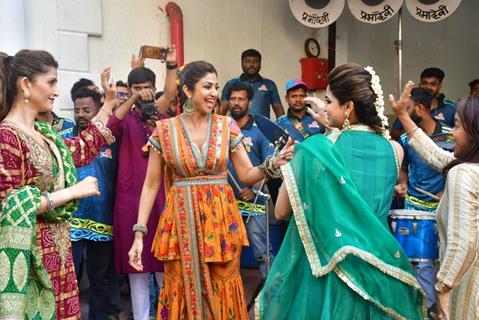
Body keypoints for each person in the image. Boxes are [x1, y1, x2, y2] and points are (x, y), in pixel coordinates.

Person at [256, 63, 425, 319]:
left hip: (330, 271)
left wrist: (296, 162)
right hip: (379, 268)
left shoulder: (318, 148)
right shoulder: (394, 149)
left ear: (348, 107)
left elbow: (281, 212)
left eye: (329, 101)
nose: (324, 108)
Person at [128, 61, 294, 320]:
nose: (215, 93)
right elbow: (151, 184)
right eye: (207, 86)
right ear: (187, 91)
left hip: (219, 223)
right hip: (180, 223)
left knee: (223, 287)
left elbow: (247, 174)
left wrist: (274, 163)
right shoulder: (165, 130)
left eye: (216, 87)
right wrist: (139, 233)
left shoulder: (227, 127)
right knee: (180, 286)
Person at [0, 50, 115, 319]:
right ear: (26, 84)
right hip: (31, 258)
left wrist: (109, 102)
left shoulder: (44, 133)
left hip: (60, 255)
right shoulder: (7, 136)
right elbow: (8, 206)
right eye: (50, 82)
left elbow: (83, 147)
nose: (56, 91)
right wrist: (72, 192)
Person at [391, 84, 479, 320]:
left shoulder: (465, 174)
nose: (452, 134)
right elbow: (436, 156)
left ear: (474, 134)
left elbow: (464, 240)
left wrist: (443, 286)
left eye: (458, 126)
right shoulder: (467, 167)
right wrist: (402, 116)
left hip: (471, 284)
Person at [108, 46, 177, 320]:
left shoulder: (161, 116)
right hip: (130, 202)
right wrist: (133, 97)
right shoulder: (126, 117)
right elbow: (110, 125)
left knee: (165, 267)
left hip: (161, 201)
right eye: (137, 87)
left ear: (155, 87)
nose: (143, 92)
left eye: (147, 87)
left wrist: (171, 65)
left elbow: (171, 93)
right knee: (137, 271)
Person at [63, 85, 122, 319]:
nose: (81, 115)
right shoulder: (63, 140)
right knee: (69, 279)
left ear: (99, 111)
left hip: (102, 219)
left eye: (87, 110)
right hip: (70, 222)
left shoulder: (111, 141)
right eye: (77, 110)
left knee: (101, 279)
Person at [394, 87, 452, 316]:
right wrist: (404, 183)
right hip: (414, 206)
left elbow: (455, 169)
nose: (404, 115)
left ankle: (439, 306)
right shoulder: (407, 138)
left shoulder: (449, 135)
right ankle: (424, 308)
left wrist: (447, 192)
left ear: (419, 109)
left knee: (441, 260)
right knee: (417, 261)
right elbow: (404, 168)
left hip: (441, 208)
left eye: (407, 109)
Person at [226, 81, 275, 279]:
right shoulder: (221, 127)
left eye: (241, 99)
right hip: (226, 201)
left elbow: (270, 166)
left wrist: (254, 190)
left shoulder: (259, 128)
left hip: (254, 201)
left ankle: (271, 293)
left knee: (262, 250)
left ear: (249, 102)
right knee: (228, 251)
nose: (237, 103)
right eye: (233, 99)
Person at [391, 67, 456, 140]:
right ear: (419, 84)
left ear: (439, 86)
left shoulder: (451, 107)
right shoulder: (411, 106)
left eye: (433, 84)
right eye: (424, 83)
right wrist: (411, 135)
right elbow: (395, 132)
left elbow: (458, 135)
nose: (428, 87)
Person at [220, 49, 284, 118]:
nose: (251, 65)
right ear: (242, 63)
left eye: (255, 62)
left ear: (260, 63)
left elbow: (279, 112)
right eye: (247, 61)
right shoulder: (231, 83)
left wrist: (283, 127)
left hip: (261, 128)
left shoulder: (269, 84)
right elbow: (221, 111)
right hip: (236, 127)